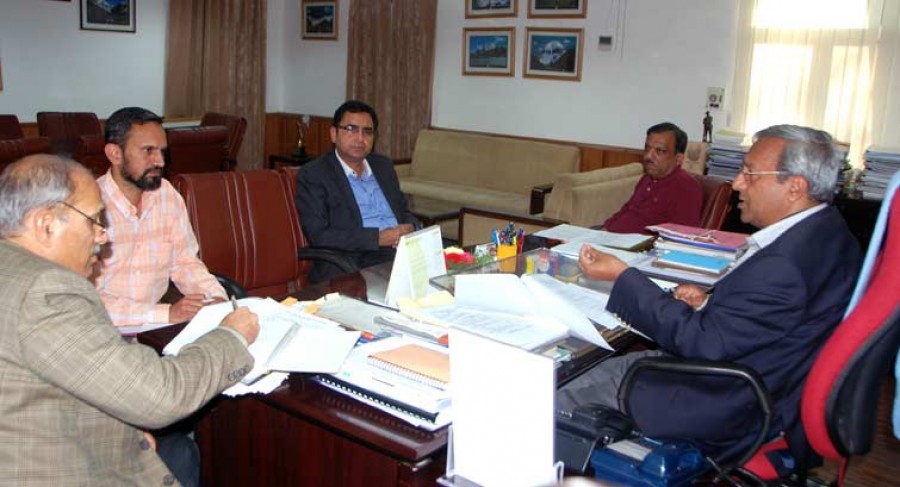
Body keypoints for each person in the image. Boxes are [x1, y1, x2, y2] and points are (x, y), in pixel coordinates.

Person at [558, 125, 862, 461]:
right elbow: (774, 320)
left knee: (549, 401)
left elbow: (701, 342)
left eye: (749, 173)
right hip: (748, 378)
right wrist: (708, 304)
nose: (738, 183)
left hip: (720, 400)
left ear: (795, 187)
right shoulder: (831, 232)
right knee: (584, 373)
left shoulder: (784, 265)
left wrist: (622, 277)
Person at [0, 154, 259, 485]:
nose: (102, 236)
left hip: (43, 432)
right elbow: (160, 395)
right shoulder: (47, 290)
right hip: (50, 468)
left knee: (178, 451)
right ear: (45, 223)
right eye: (93, 221)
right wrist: (231, 337)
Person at [94, 107, 227, 327]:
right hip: (100, 330)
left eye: (162, 151)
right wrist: (165, 314)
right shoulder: (88, 207)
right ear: (114, 154)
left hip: (154, 326)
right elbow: (84, 301)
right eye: (148, 151)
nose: (160, 162)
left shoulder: (166, 195)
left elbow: (184, 262)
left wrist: (215, 298)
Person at [295, 100, 420, 282]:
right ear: (334, 134)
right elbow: (319, 234)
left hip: (401, 252)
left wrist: (411, 227)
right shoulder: (315, 174)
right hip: (355, 259)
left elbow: (403, 210)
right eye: (351, 129)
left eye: (367, 131)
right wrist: (377, 238)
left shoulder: (383, 166)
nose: (360, 139)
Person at [602, 122, 703, 234]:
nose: (648, 156)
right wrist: (603, 229)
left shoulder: (685, 186)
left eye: (660, 151)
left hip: (637, 243)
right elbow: (627, 210)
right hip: (610, 236)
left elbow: (682, 235)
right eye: (647, 148)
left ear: (678, 158)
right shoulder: (647, 178)